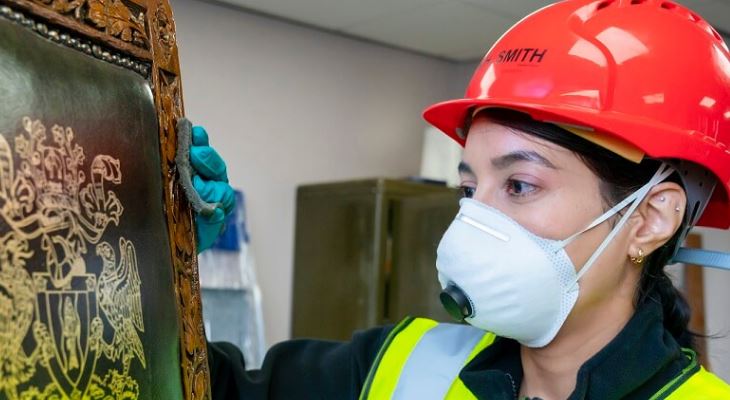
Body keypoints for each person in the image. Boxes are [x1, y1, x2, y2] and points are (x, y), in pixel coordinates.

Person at [197, 1, 730, 398]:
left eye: (519, 185)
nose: (472, 223)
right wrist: (148, 250)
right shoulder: (399, 367)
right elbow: (190, 387)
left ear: (649, 218)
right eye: (470, 189)